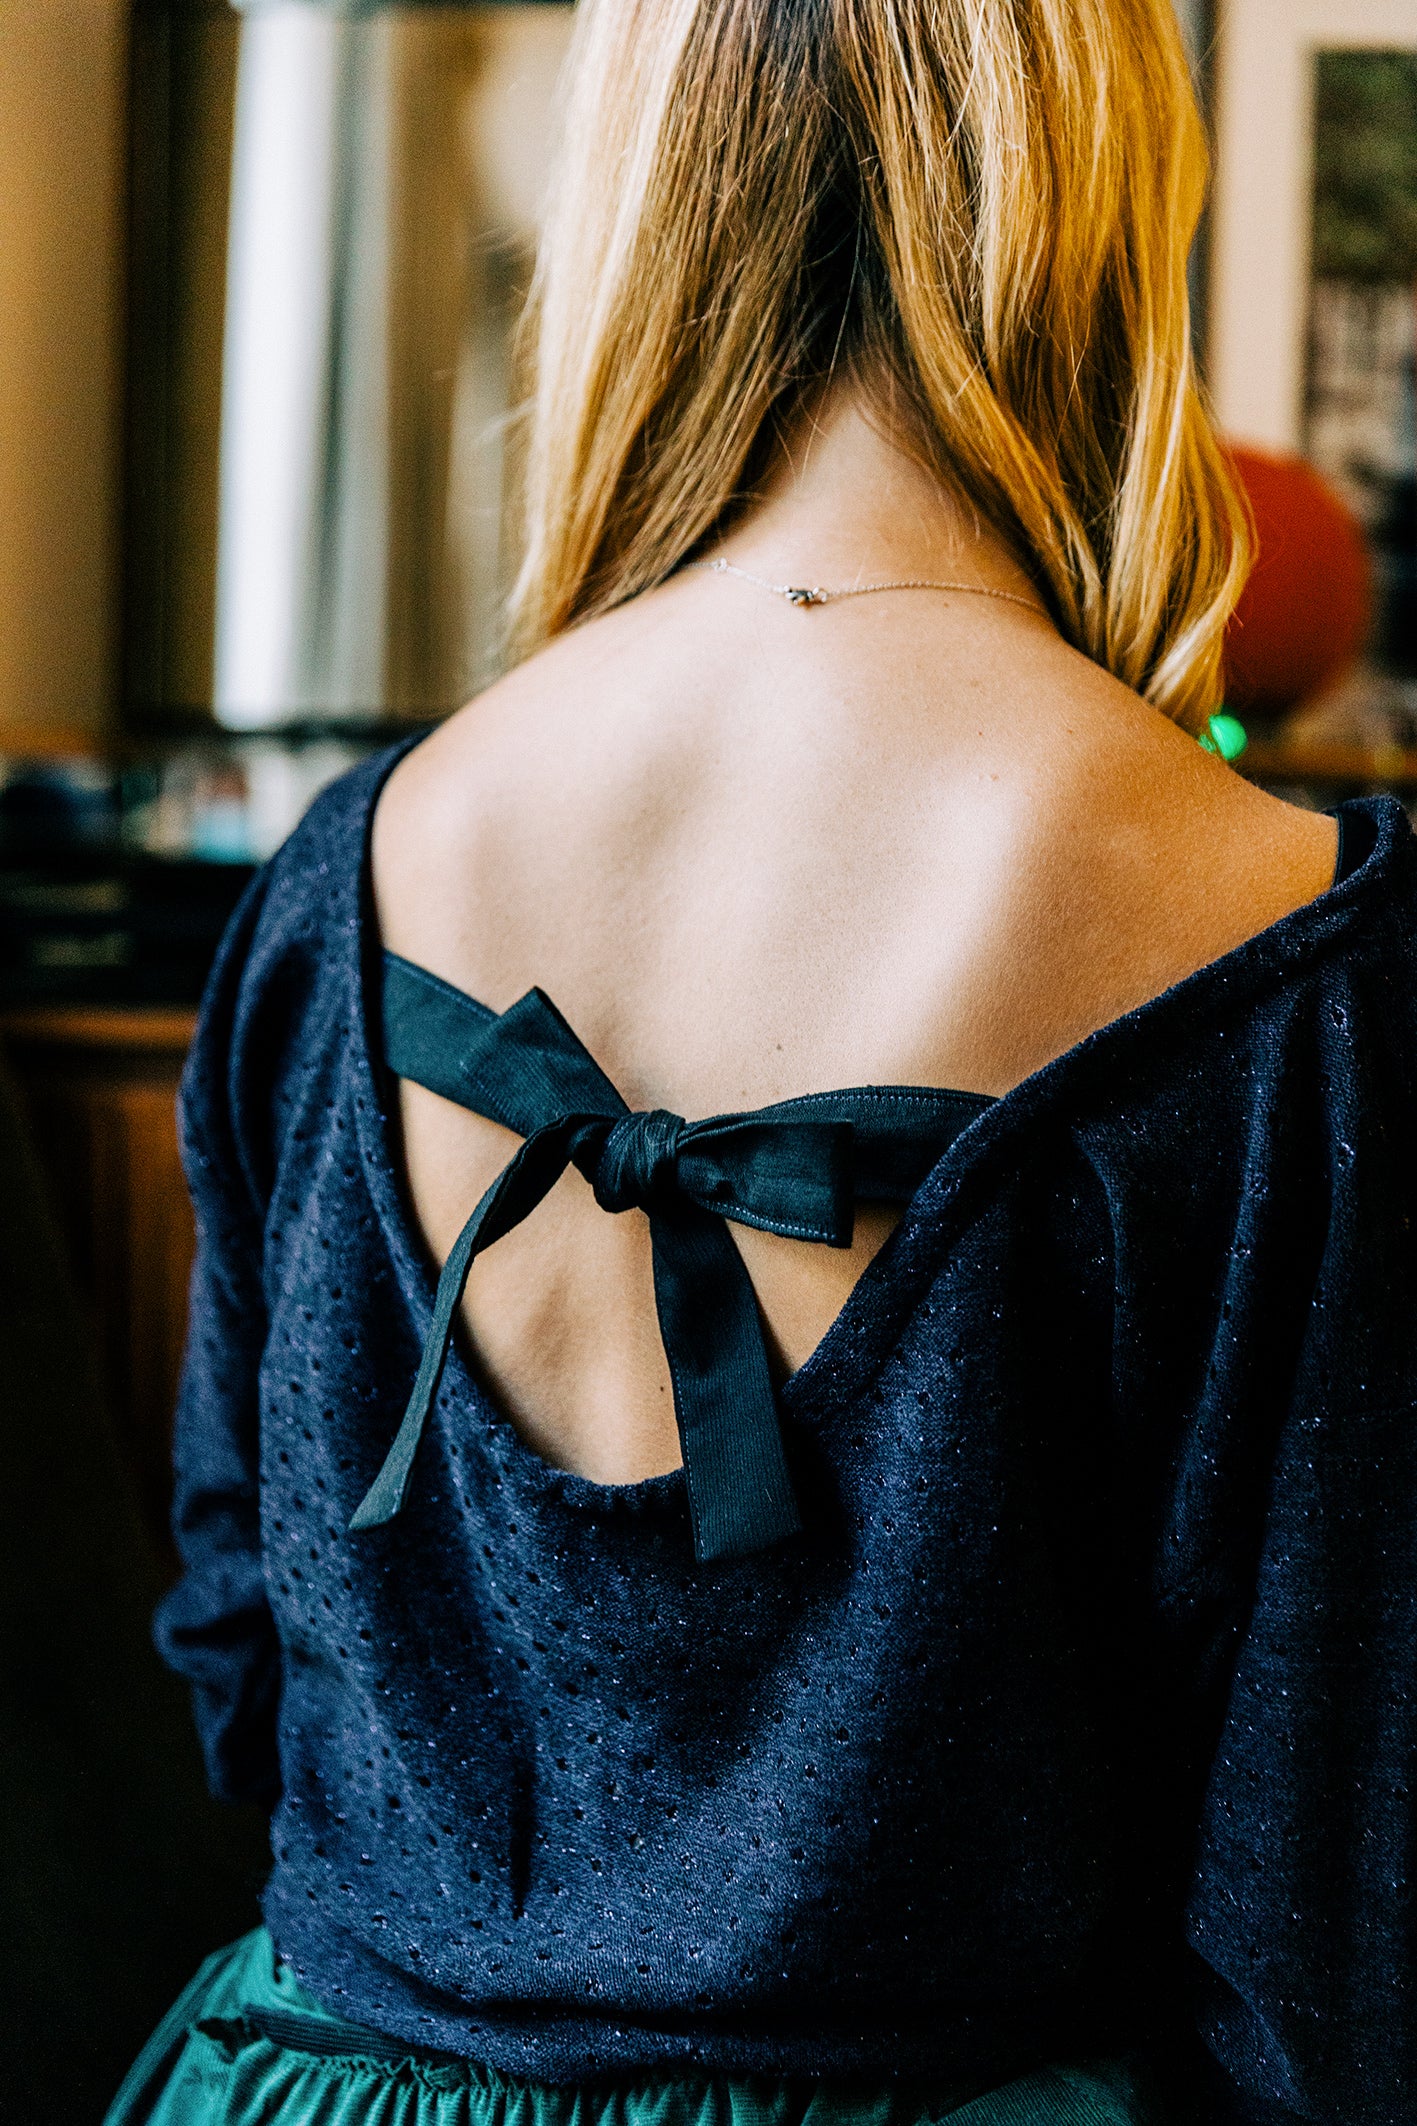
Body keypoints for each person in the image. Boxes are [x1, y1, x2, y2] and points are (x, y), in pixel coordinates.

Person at [105, 0, 1416, 2121]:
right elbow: (1325, 1910)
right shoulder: (1289, 959)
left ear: (635, 220)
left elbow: (245, 1662)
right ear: (1098, 211)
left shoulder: (337, 880)